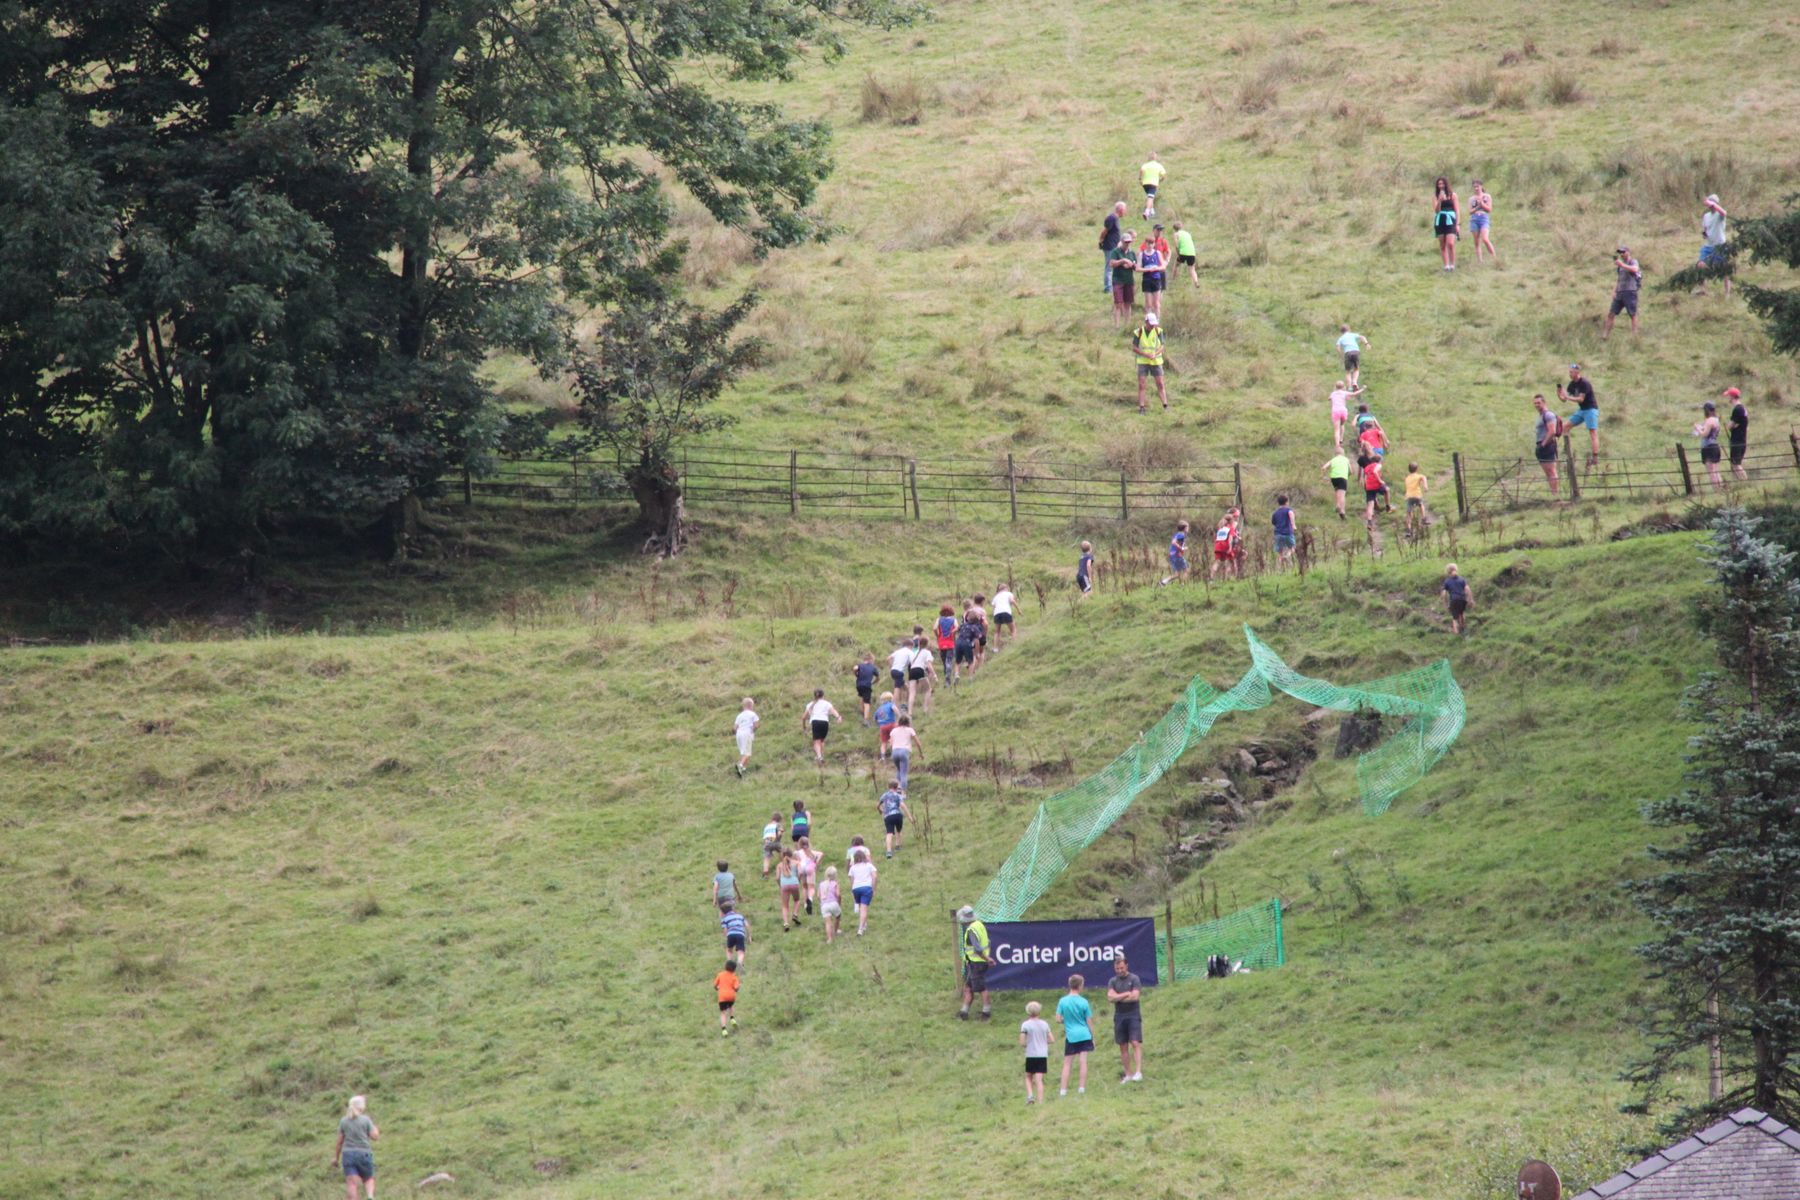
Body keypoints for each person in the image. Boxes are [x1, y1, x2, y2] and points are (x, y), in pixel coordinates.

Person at [1107, 956, 1144, 1084]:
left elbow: (1135, 997)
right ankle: (1128, 1074)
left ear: (1126, 966)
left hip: (1133, 1015)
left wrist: (1118, 997)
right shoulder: (1112, 981)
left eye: (1121, 968)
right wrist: (1125, 994)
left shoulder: (1134, 979)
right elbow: (1110, 998)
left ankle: (1138, 1072)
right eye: (1117, 968)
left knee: (1135, 1042)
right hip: (1119, 1016)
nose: (1119, 970)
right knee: (1123, 1046)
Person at [334, 1095, 380, 1200]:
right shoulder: (366, 1120)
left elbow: (339, 1142)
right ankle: (370, 1196)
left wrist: (336, 1158)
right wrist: (376, 1129)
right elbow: (375, 1137)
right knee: (368, 1178)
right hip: (364, 1153)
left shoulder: (343, 1121)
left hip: (348, 1155)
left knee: (352, 1184)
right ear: (361, 1107)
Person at [1055, 974, 1094, 1097]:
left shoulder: (1063, 1001)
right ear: (1080, 985)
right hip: (1084, 1034)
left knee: (1067, 1063)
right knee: (1083, 1062)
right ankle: (1081, 1089)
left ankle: (1063, 1091)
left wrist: (1065, 1021)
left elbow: (1058, 1019)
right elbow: (1089, 1021)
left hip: (1071, 1035)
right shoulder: (1084, 1002)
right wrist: (1092, 1036)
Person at [1557, 363, 1599, 466]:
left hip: (1591, 409)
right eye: (1569, 372)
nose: (1570, 374)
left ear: (1577, 372)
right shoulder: (1572, 384)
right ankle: (1567, 450)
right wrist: (1559, 394)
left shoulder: (1584, 383)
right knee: (1565, 427)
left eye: (1571, 372)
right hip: (1582, 410)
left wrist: (1567, 397)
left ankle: (1595, 457)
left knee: (1592, 432)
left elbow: (1580, 399)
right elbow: (1564, 399)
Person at [957, 904, 994, 1021]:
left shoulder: (972, 930)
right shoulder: (979, 925)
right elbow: (988, 942)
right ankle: (964, 1012)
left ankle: (986, 1013)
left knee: (981, 988)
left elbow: (977, 949)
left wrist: (986, 959)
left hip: (977, 963)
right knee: (968, 987)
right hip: (975, 962)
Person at [1130, 311, 1167, 413]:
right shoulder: (1138, 332)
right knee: (1142, 384)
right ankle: (1142, 407)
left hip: (1156, 361)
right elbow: (1134, 347)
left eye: (1154, 324)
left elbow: (1162, 347)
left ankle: (1165, 405)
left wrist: (1155, 354)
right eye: (1151, 324)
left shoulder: (1159, 331)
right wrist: (1146, 355)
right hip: (1143, 361)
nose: (1152, 326)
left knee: (1160, 383)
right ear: (1146, 322)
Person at [1602, 247, 1641, 340]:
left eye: (1623, 252)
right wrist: (1614, 291)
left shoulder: (1633, 261)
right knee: (1611, 314)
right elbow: (1619, 280)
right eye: (1620, 252)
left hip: (1630, 292)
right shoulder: (1620, 266)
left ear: (1628, 252)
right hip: (1620, 293)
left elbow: (1635, 269)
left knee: (1633, 314)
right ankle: (1605, 336)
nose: (1622, 254)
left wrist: (1622, 265)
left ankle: (1635, 337)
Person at [1698, 194, 1730, 297]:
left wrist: (1712, 203)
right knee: (1700, 265)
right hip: (1708, 246)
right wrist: (1705, 234)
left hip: (1720, 245)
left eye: (1712, 203)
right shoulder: (1706, 216)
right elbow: (1706, 229)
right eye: (1709, 203)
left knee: (1724, 269)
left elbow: (1724, 212)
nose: (1710, 205)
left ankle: (1727, 293)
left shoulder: (1719, 215)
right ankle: (1703, 290)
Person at [1020, 1001, 1052, 1104]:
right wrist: (1043, 1042)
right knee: (1039, 1079)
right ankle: (1040, 1101)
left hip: (1031, 1054)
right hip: (1042, 1055)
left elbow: (1022, 1041)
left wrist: (1026, 1044)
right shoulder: (1044, 1024)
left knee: (1028, 1076)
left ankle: (1030, 1096)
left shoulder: (1025, 1025)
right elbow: (1052, 1039)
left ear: (1028, 1012)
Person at [1532, 394, 1562, 498]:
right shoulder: (1540, 416)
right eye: (1535, 403)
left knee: (1552, 471)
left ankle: (1556, 495)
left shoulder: (1548, 415)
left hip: (1547, 445)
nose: (1536, 405)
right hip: (1541, 445)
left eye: (1538, 403)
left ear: (1544, 402)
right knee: (1547, 473)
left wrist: (1544, 444)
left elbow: (1552, 431)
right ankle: (1553, 494)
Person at [1109, 229, 1138, 326]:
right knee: (1118, 304)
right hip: (1118, 280)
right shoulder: (1116, 252)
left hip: (1129, 280)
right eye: (1126, 242)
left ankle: (1127, 324)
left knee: (1128, 303)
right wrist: (1123, 261)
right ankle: (1117, 325)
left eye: (1129, 242)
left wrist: (1132, 265)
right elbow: (1112, 263)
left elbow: (1136, 266)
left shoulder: (1132, 253)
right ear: (1121, 242)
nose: (1127, 244)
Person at [1693, 401, 1724, 492]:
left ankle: (1717, 490)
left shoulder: (1709, 421)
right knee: (1716, 470)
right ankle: (1721, 488)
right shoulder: (1716, 420)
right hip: (1715, 445)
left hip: (1708, 447)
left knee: (1711, 471)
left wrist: (1697, 428)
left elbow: (1704, 434)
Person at [803, 688, 840, 763]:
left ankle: (819, 757)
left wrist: (804, 726)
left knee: (816, 741)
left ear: (814, 696)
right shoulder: (827, 703)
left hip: (816, 722)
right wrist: (838, 717)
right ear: (823, 695)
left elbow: (803, 717)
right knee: (821, 740)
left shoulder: (810, 704)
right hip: (825, 722)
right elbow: (833, 711)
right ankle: (820, 756)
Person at [1138, 227, 1167, 320]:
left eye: (1152, 243)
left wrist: (1156, 268)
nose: (1150, 245)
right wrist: (1146, 270)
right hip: (1146, 279)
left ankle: (1157, 322)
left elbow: (1163, 266)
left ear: (1154, 244)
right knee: (1148, 303)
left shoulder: (1157, 253)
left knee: (1156, 303)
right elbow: (1138, 268)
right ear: (1145, 244)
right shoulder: (1142, 254)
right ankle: (1148, 321)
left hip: (1156, 279)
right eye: (1148, 243)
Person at [847, 848, 878, 936]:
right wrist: (874, 888)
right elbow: (875, 876)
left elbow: (851, 878)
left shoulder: (852, 867)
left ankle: (864, 924)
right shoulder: (869, 865)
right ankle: (860, 929)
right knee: (864, 908)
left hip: (856, 888)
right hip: (866, 888)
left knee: (861, 907)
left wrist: (853, 889)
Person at [877, 780, 911, 858]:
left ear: (888, 787)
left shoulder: (884, 795)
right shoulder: (898, 795)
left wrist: (881, 811)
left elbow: (877, 805)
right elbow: (903, 804)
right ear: (896, 787)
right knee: (898, 830)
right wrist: (910, 817)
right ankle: (898, 846)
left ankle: (889, 851)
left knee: (889, 833)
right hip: (898, 815)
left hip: (888, 816)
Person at [1099, 200, 1126, 296]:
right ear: (1121, 209)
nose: (1125, 212)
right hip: (1110, 246)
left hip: (1115, 246)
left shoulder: (1116, 218)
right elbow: (1104, 231)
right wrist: (1101, 240)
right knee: (1109, 267)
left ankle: (1114, 285)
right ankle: (1108, 288)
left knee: (1115, 266)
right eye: (1124, 210)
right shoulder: (1112, 218)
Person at [1432, 176, 1459, 270]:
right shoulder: (1435, 196)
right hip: (1440, 220)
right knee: (1442, 244)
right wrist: (1439, 200)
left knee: (1450, 243)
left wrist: (1458, 224)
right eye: (1439, 184)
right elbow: (1436, 211)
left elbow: (1457, 210)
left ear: (1446, 184)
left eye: (1442, 183)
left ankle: (1452, 264)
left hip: (1451, 220)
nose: (1441, 186)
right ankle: (1446, 265)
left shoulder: (1453, 195)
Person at [1329, 379, 1364, 450]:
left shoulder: (1333, 393)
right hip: (1343, 411)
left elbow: (1329, 398)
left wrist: (1334, 391)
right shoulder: (1344, 393)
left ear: (1335, 387)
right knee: (1342, 424)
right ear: (1343, 387)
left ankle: (1337, 445)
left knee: (1336, 430)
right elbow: (1354, 394)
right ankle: (1341, 439)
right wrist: (1363, 389)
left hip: (1335, 411)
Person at [887, 716, 921, 790]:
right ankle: (903, 793)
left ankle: (896, 789)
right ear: (908, 722)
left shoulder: (894, 730)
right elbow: (918, 743)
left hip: (895, 752)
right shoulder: (910, 730)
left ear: (899, 722)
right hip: (904, 751)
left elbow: (890, 743)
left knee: (899, 770)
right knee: (903, 773)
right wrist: (921, 754)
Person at [906, 635, 936, 714]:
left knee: (912, 692)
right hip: (920, 670)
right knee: (928, 690)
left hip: (912, 671)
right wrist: (934, 674)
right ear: (927, 644)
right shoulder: (927, 652)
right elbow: (929, 665)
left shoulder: (915, 652)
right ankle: (925, 708)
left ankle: (910, 712)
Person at [1209, 508, 1242, 580]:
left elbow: (1216, 537)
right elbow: (1230, 537)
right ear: (1232, 519)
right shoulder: (1231, 527)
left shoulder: (1220, 528)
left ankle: (1211, 578)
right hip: (1226, 546)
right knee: (1231, 562)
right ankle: (1233, 578)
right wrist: (1230, 547)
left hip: (1218, 546)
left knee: (1217, 562)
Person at [775, 848, 803, 930]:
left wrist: (780, 885)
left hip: (784, 885)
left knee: (785, 905)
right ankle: (795, 914)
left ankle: (786, 923)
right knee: (797, 900)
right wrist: (798, 880)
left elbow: (777, 878)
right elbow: (800, 872)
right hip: (794, 883)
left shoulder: (779, 865)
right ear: (791, 855)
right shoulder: (796, 863)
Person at [1725, 387, 1748, 482]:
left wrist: (1730, 426)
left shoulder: (1738, 409)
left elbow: (1729, 426)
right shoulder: (1742, 408)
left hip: (1737, 440)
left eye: (1728, 396)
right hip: (1742, 438)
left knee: (1736, 464)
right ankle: (1738, 483)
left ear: (1732, 397)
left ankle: (1745, 481)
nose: (1728, 399)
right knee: (1735, 463)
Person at [1468, 180, 1495, 262]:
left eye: (1478, 186)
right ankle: (1480, 261)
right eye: (1474, 187)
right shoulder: (1471, 198)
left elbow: (1489, 209)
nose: (1476, 188)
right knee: (1477, 241)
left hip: (1484, 218)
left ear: (1481, 186)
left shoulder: (1487, 196)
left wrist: (1482, 204)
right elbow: (1470, 211)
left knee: (1485, 239)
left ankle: (1494, 258)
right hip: (1474, 219)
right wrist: (1477, 207)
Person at [793, 836, 821, 917]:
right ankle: (810, 899)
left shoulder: (797, 853)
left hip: (802, 868)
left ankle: (805, 904)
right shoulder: (811, 852)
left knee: (805, 887)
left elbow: (796, 861)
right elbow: (821, 854)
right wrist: (816, 864)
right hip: (810, 868)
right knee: (811, 887)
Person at [1442, 563, 1472, 636]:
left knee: (1454, 618)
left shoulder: (1447, 581)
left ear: (1448, 572)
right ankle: (1463, 628)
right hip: (1462, 599)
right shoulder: (1462, 579)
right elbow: (1467, 589)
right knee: (1461, 614)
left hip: (1454, 600)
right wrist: (1470, 599)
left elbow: (1444, 593)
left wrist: (1445, 603)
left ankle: (1456, 633)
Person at [732, 697, 759, 776]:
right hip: (747, 733)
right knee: (747, 753)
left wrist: (736, 733)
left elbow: (734, 728)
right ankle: (740, 765)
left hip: (739, 734)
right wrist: (752, 731)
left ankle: (743, 769)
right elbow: (756, 725)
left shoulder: (739, 716)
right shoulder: (753, 714)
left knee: (743, 752)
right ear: (751, 705)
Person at [714, 960, 741, 1035]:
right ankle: (732, 1018)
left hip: (722, 996)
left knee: (723, 1013)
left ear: (725, 966)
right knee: (731, 1006)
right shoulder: (734, 977)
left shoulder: (720, 975)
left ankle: (724, 1030)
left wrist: (718, 989)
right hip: (731, 996)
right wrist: (738, 987)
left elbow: (715, 986)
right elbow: (736, 988)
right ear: (734, 969)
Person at [1323, 450, 1351, 519]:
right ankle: (1341, 510)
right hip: (1342, 477)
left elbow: (1324, 467)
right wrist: (1348, 475)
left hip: (1334, 478)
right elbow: (1351, 470)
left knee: (1337, 491)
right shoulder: (1346, 459)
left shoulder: (1333, 459)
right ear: (1343, 453)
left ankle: (1339, 507)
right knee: (1342, 494)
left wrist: (1325, 476)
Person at [1403, 463, 1429, 537]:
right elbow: (1423, 477)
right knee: (1421, 505)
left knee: (1409, 514)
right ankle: (1424, 519)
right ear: (1417, 469)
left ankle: (1408, 530)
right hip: (1417, 495)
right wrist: (1425, 486)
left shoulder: (1407, 478)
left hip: (1409, 497)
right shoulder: (1418, 476)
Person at [934, 604, 959, 684]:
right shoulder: (953, 620)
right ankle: (947, 680)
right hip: (950, 643)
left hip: (941, 643)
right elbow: (957, 627)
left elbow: (934, 628)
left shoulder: (939, 619)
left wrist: (937, 635)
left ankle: (946, 676)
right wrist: (953, 633)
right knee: (949, 661)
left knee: (944, 661)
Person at [1160, 519, 1189, 585]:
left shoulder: (1177, 534)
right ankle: (1183, 585)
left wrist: (1182, 548)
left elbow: (1175, 543)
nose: (1188, 529)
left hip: (1172, 555)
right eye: (1188, 527)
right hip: (1176, 555)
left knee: (1177, 574)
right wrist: (1181, 548)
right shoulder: (1182, 535)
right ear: (1184, 528)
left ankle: (1163, 582)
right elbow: (1173, 542)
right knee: (1186, 570)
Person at [1271, 495, 1297, 568]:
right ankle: (1287, 556)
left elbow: (1273, 522)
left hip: (1278, 534)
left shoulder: (1275, 513)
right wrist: (1293, 525)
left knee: (1280, 553)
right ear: (1286, 502)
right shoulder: (1288, 510)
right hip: (1288, 533)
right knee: (1292, 548)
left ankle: (1278, 568)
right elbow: (1291, 514)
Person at [852, 653, 878, 725]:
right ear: (870, 660)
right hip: (867, 686)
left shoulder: (860, 665)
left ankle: (862, 711)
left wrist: (856, 674)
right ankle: (866, 720)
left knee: (861, 696)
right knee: (867, 703)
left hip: (859, 685)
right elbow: (877, 677)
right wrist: (873, 682)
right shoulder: (873, 667)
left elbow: (855, 668)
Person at [819, 866, 843, 944]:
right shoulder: (835, 883)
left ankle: (829, 939)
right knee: (838, 916)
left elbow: (818, 895)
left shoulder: (821, 884)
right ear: (835, 875)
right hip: (833, 903)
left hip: (824, 905)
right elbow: (838, 895)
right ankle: (835, 931)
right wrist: (839, 902)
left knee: (828, 922)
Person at [1171, 221, 1199, 287]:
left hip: (1183, 252)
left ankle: (1173, 280)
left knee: (1176, 265)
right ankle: (1196, 282)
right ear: (1181, 227)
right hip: (1192, 252)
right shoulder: (1188, 233)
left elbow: (1176, 246)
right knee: (1192, 269)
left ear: (1174, 229)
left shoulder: (1176, 234)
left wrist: (1178, 254)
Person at [1362, 455, 1388, 522]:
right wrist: (1380, 481)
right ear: (1379, 460)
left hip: (1368, 486)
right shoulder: (1378, 465)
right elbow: (1375, 471)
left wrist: (1365, 487)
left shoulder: (1367, 467)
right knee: (1387, 490)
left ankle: (1369, 522)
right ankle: (1388, 506)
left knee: (1370, 504)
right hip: (1377, 484)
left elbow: (1365, 479)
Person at [873, 691, 898, 760]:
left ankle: (883, 757)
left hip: (882, 726)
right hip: (891, 725)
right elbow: (895, 709)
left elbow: (875, 718)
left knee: (883, 742)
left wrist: (878, 724)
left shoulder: (879, 708)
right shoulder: (891, 704)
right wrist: (899, 715)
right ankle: (893, 754)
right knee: (893, 739)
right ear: (890, 699)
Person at [1140, 152, 1165, 219]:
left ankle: (1152, 211)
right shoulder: (1158, 165)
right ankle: (1147, 211)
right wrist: (1161, 180)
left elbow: (1141, 171)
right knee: (1150, 197)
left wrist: (1140, 179)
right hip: (1153, 183)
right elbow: (1163, 174)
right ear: (1155, 158)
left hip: (1145, 184)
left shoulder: (1145, 165)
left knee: (1150, 197)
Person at [991, 583, 1016, 649]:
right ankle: (1015, 645)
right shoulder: (1009, 593)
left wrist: (994, 616)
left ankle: (995, 648)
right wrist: (1019, 610)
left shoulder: (995, 597)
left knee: (997, 632)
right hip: (1006, 612)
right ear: (1006, 588)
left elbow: (993, 607)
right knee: (1013, 629)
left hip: (996, 614)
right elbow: (1012, 601)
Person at [760, 811, 784, 876]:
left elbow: (765, 836)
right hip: (775, 841)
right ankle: (784, 864)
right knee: (782, 851)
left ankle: (765, 871)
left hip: (766, 843)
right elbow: (779, 832)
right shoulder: (778, 824)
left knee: (766, 857)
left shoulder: (767, 826)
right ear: (779, 820)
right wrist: (778, 838)